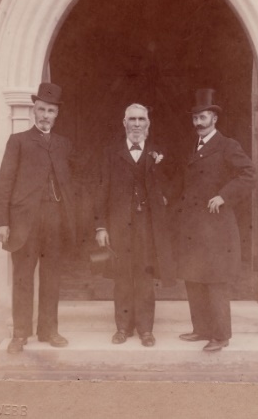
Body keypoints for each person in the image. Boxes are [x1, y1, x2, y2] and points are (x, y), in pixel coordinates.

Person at [0, 82, 77, 353]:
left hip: (54, 218)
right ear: (33, 111)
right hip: (24, 220)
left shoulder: (64, 144)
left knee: (52, 276)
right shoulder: (18, 141)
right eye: (41, 109)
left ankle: (49, 330)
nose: (45, 115)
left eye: (50, 111)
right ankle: (20, 333)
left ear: (56, 114)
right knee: (23, 277)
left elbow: (72, 183)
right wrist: (2, 221)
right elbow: (4, 182)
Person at [172, 89, 258, 352]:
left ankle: (221, 335)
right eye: (196, 117)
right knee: (194, 277)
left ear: (214, 119)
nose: (199, 122)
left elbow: (249, 175)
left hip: (216, 226)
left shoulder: (227, 145)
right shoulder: (194, 147)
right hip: (193, 227)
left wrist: (223, 196)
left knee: (215, 280)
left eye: (204, 117)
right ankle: (201, 329)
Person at [94, 103, 176, 347]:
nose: (137, 124)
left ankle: (146, 329)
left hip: (147, 227)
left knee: (145, 277)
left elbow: (174, 180)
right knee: (122, 277)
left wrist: (164, 196)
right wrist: (100, 226)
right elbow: (101, 190)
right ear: (124, 123)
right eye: (133, 119)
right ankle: (122, 327)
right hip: (119, 225)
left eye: (142, 119)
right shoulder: (110, 153)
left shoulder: (157, 152)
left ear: (148, 124)